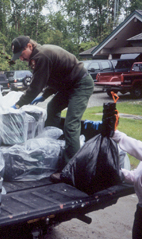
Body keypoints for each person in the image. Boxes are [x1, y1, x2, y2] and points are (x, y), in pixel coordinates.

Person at [10, 35, 94, 176]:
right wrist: (46, 95)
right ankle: (53, 145)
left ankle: (72, 169)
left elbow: (35, 87)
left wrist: (18, 105)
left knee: (71, 125)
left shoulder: (41, 56)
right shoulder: (39, 55)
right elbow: (55, 76)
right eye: (18, 56)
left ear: (29, 46)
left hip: (81, 84)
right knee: (52, 108)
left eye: (22, 54)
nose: (21, 59)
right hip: (68, 85)